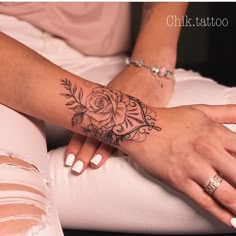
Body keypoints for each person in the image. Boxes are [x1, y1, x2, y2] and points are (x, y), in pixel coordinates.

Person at [0, 2, 236, 235]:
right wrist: (140, 126)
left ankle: (45, 179)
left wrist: (151, 63)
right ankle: (23, 183)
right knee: (23, 225)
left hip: (99, 58)